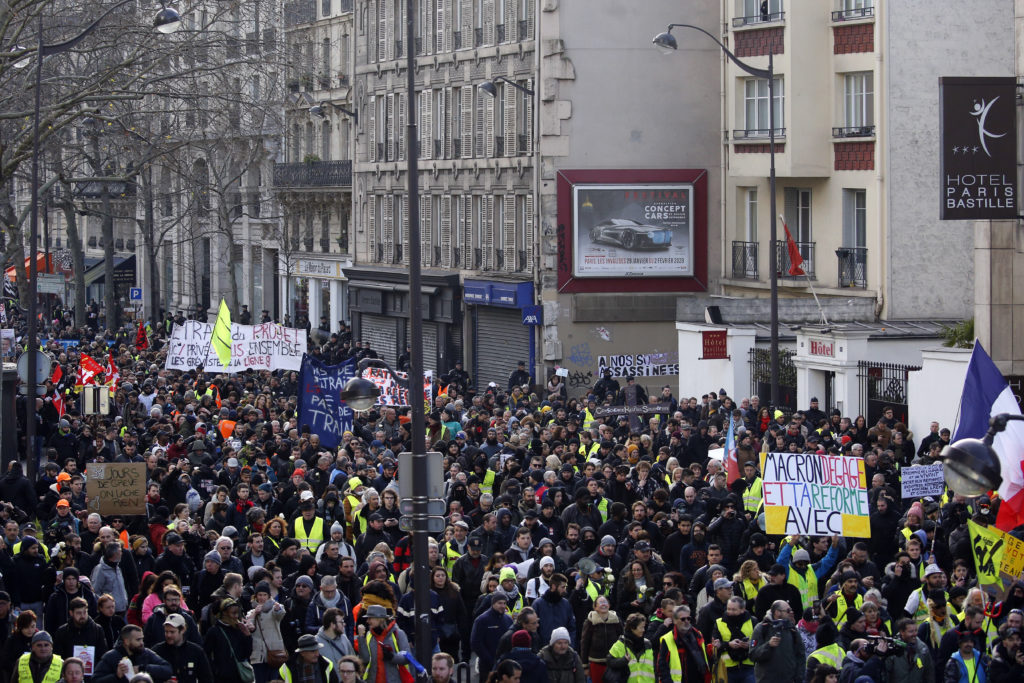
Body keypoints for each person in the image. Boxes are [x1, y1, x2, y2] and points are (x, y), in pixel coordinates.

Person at [92, 625, 173, 683]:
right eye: (138, 640)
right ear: (126, 641)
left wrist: (142, 668)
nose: (142, 643)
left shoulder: (146, 653)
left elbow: (167, 669)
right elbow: (95, 680)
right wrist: (117, 676)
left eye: (142, 639)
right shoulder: (111, 657)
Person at [749, 600, 804, 683]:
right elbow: (753, 655)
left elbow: (800, 655)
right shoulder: (762, 628)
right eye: (788, 611)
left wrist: (798, 677)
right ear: (777, 612)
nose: (791, 613)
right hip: (767, 680)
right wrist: (768, 645)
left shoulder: (792, 629)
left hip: (788, 680)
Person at [355, 604, 410, 683]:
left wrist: (392, 657)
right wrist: (360, 637)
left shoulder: (398, 633)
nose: (367, 621)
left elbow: (408, 658)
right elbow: (365, 659)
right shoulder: (369, 635)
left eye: (370, 618)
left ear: (379, 619)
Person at [152, 613, 213, 683]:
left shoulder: (196, 652)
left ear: (183, 630)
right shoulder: (157, 651)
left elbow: (207, 679)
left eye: (172, 632)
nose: (168, 635)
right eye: (166, 632)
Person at [655, 604, 708, 683]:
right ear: (675, 620)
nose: (686, 621)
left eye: (688, 618)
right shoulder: (668, 639)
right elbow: (662, 667)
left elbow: (704, 658)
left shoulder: (698, 635)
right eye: (683, 619)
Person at [472, 592, 513, 678]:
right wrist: (490, 660)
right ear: (493, 603)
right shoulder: (482, 620)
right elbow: (476, 643)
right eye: (500, 603)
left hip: (505, 665)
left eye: (504, 603)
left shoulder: (508, 619)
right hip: (487, 665)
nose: (502, 606)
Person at [605, 614, 653, 683]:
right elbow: (609, 661)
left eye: (644, 627)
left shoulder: (647, 644)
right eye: (641, 627)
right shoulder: (620, 644)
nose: (643, 630)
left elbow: (653, 668)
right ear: (632, 628)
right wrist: (623, 660)